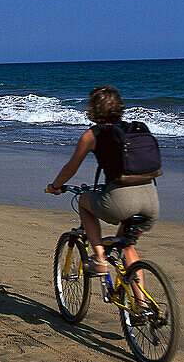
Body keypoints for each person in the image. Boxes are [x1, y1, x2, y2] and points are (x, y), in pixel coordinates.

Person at [46, 86, 160, 275]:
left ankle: (99, 257)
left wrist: (55, 186)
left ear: (93, 109)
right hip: (151, 201)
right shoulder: (135, 130)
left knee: (83, 202)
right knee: (127, 247)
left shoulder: (92, 135)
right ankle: (141, 303)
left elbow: (70, 169)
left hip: (121, 201)